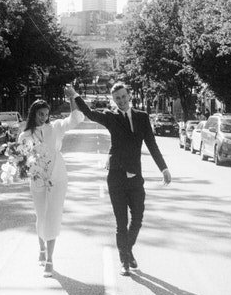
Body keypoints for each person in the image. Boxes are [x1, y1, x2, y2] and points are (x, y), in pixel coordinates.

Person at [73, 81, 171, 276]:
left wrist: (164, 168)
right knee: (121, 223)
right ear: (114, 100)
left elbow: (152, 144)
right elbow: (90, 114)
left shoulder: (142, 117)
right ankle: (125, 262)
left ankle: (127, 250)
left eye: (124, 96)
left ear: (129, 96)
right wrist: (75, 95)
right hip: (116, 177)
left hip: (135, 177)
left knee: (138, 219)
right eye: (117, 98)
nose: (122, 101)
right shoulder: (111, 117)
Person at [18, 87, 85, 275]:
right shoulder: (25, 136)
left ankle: (50, 259)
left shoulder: (55, 127)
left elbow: (76, 118)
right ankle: (41, 248)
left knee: (53, 215)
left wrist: (72, 97)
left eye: (46, 114)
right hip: (38, 179)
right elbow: (22, 160)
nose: (44, 118)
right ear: (34, 114)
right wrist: (26, 168)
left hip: (58, 176)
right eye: (40, 114)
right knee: (41, 215)